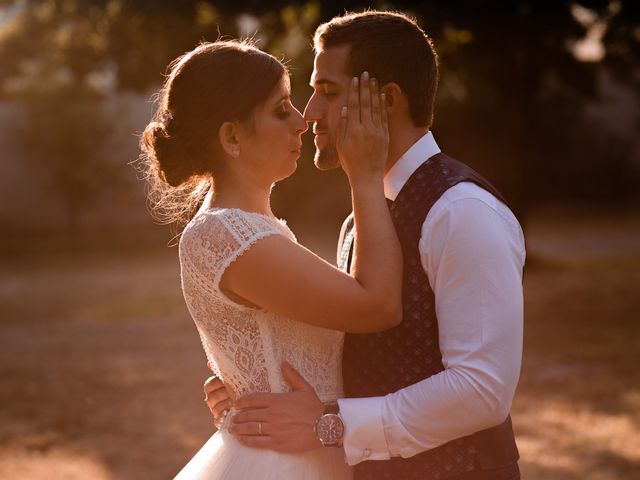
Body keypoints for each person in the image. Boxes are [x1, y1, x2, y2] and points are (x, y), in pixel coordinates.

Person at [205, 10, 525, 480]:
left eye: (328, 92)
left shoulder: (462, 212)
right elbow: (374, 362)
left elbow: (482, 391)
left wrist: (330, 425)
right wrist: (256, 385)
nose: (309, 112)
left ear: (387, 100)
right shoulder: (362, 219)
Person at [140, 39, 401, 479]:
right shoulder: (227, 234)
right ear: (233, 136)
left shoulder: (255, 230)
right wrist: (366, 175)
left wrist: (244, 383)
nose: (302, 122)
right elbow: (378, 306)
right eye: (282, 110)